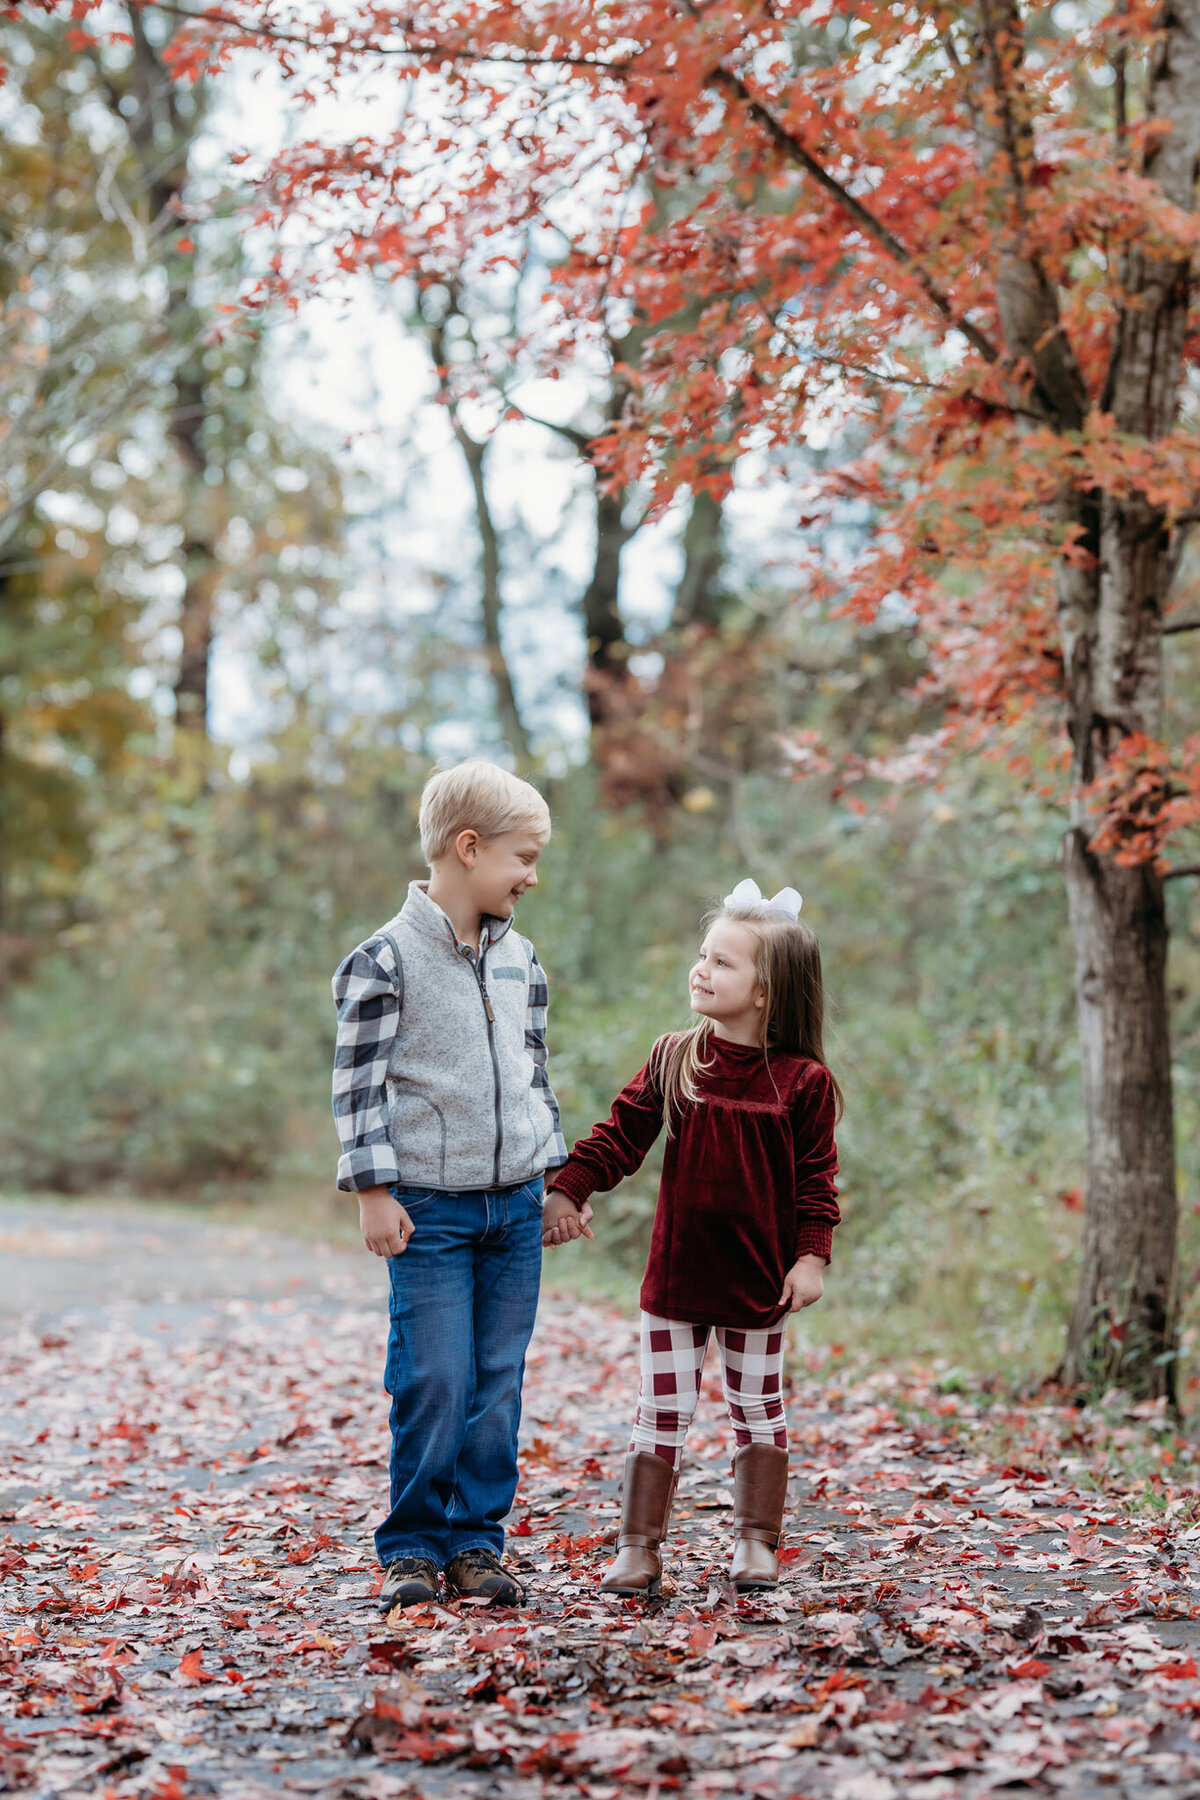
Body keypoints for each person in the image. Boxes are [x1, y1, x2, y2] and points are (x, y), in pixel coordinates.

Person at [541, 878, 841, 1598]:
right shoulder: (679, 1056)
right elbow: (621, 1135)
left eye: (722, 962)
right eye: (702, 956)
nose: (700, 970)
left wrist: (810, 1256)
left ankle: (756, 1543)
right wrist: (568, 1187)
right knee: (662, 1411)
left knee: (757, 1408)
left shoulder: (803, 1082)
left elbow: (816, 1180)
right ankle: (638, 1548)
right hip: (676, 1278)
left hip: (757, 1280)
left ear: (766, 991)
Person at [331, 760, 567, 1613]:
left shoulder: (523, 959)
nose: (532, 876)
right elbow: (356, 1087)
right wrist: (372, 1190)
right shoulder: (385, 959)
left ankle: (475, 1543)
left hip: (514, 1206)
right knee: (434, 1377)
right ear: (469, 849)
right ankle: (413, 1549)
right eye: (523, 857)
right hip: (427, 1209)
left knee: (497, 1382)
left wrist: (555, 1174)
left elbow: (535, 1072)